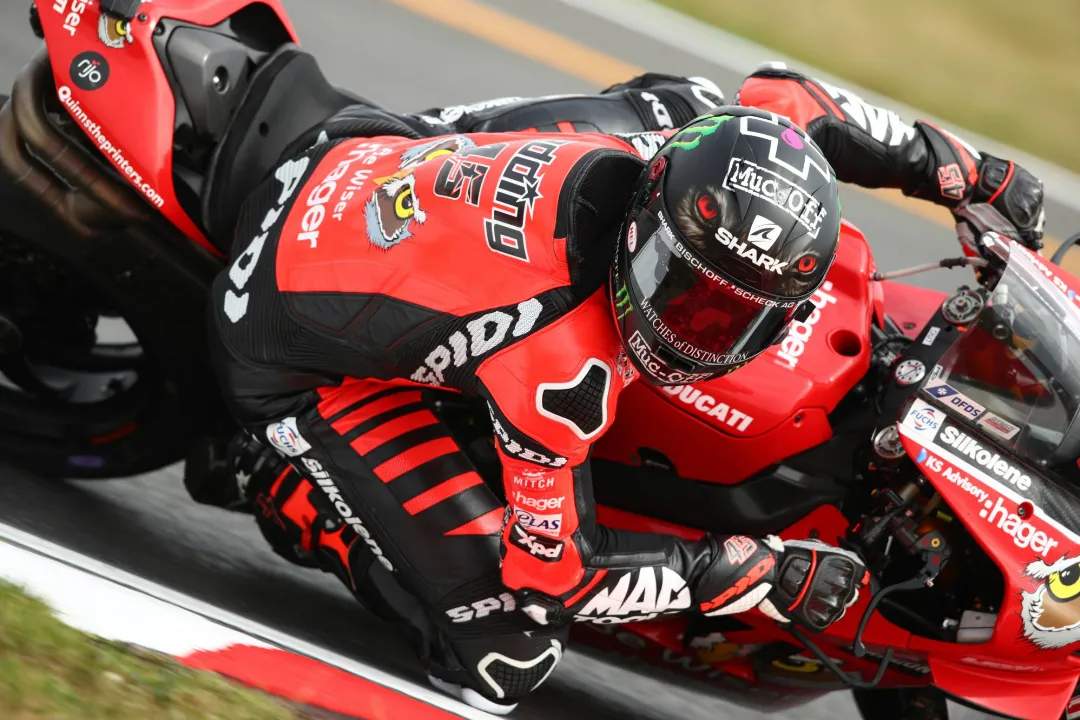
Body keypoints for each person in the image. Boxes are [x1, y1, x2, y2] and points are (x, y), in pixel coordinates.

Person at [196, 64, 1045, 713]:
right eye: (680, 287)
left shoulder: (693, 131)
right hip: (293, 356)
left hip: (365, 145)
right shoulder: (563, 369)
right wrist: (755, 570)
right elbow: (558, 577)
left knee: (661, 93)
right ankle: (277, 481)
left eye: (729, 316)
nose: (692, 327)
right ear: (646, 225)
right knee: (507, 649)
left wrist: (966, 172)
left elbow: (791, 104)